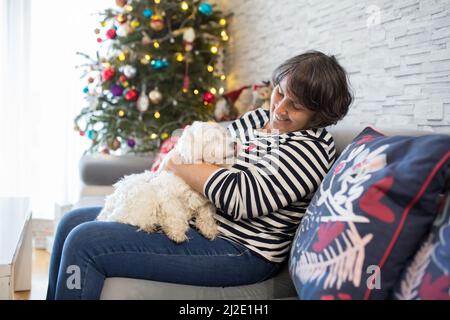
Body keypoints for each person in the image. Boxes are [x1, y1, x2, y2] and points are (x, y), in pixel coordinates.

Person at [46, 50, 352, 300]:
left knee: (86, 241)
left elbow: (239, 197)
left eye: (295, 106)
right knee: (71, 222)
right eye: (280, 92)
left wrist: (179, 166)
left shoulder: (308, 150)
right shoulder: (260, 118)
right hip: (200, 220)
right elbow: (200, 146)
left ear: (318, 114)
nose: (279, 109)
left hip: (239, 249)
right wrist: (195, 167)